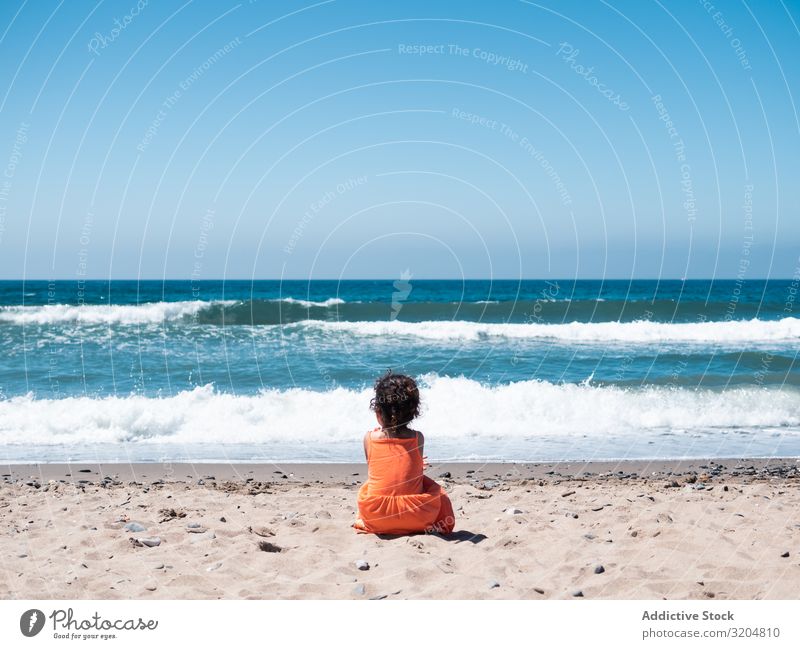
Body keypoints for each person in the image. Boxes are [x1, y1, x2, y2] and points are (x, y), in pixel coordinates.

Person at [354, 371, 455, 535]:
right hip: (418, 517)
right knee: (438, 493)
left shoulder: (369, 438)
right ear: (413, 412)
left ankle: (365, 520)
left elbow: (378, 466)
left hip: (376, 517)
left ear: (378, 412)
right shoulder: (418, 438)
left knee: (369, 486)